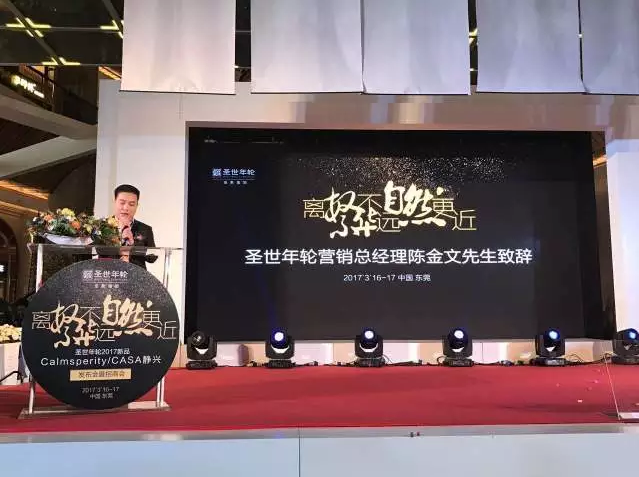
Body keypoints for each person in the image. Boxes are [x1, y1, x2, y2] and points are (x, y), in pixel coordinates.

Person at [111, 184, 157, 269]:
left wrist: (134, 247)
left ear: (137, 206)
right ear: (114, 202)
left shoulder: (145, 229)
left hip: (136, 274)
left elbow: (152, 258)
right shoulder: (101, 226)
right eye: (122, 203)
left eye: (131, 204)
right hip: (108, 274)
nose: (126, 208)